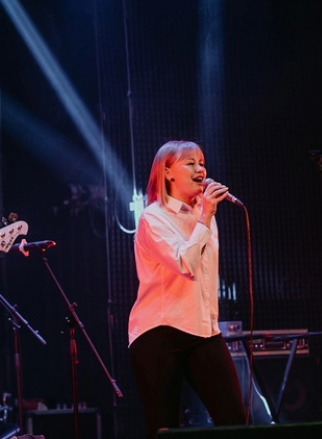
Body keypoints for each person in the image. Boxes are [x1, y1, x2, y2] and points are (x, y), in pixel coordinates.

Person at [128, 140, 246, 438]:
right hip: (160, 332)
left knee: (235, 420)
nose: (200, 169)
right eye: (190, 163)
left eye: (202, 162)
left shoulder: (204, 215)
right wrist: (206, 216)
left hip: (203, 330)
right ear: (167, 172)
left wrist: (204, 215)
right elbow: (185, 264)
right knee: (164, 429)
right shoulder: (153, 217)